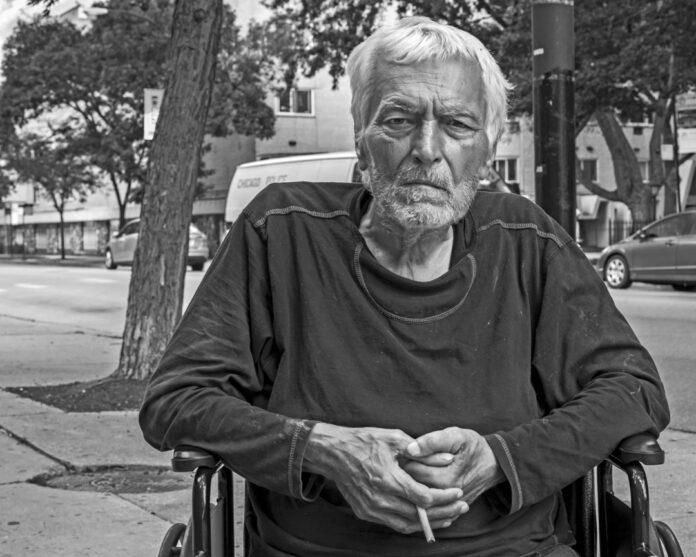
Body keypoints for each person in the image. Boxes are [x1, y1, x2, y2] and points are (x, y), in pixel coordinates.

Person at [139, 16, 669, 557]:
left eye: (458, 125)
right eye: (397, 120)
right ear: (361, 141)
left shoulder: (526, 242)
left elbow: (633, 390)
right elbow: (176, 400)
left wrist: (500, 458)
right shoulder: (279, 231)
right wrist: (325, 450)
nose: (426, 148)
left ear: (488, 149)